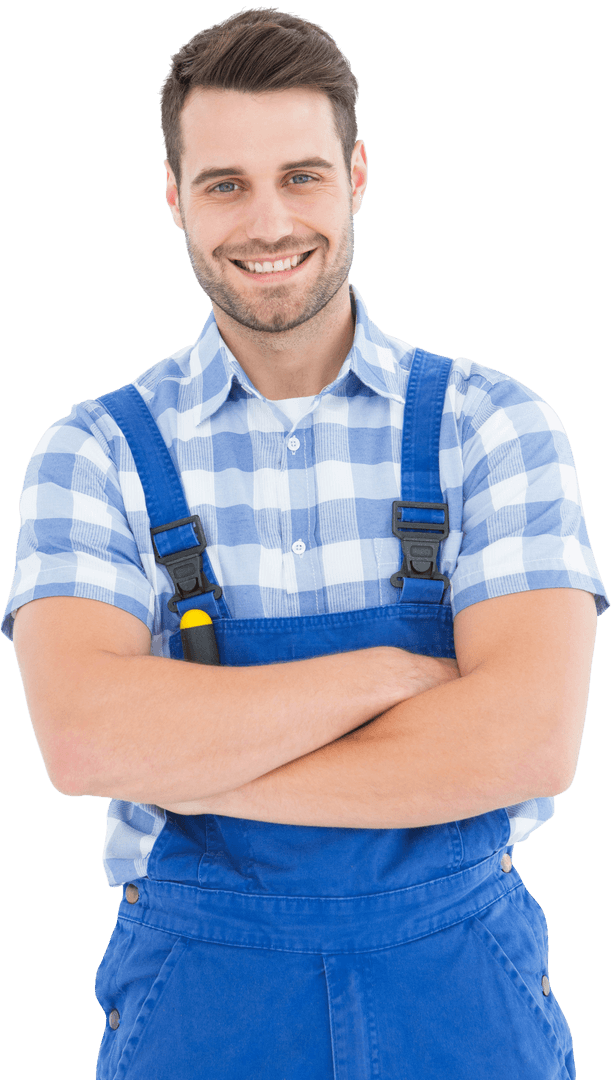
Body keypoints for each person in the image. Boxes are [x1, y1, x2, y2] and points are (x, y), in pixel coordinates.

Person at [3, 7, 608, 1078]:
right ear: (174, 197)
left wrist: (189, 758)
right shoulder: (89, 453)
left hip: (458, 1001)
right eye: (225, 183)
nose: (268, 222)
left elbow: (524, 743)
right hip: (204, 1007)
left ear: (357, 175)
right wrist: (388, 678)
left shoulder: (493, 426)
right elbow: (86, 745)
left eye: (301, 176)